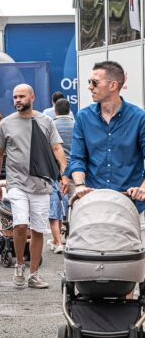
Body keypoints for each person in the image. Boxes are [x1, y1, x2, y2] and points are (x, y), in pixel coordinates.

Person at [0, 84, 69, 290]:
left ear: (32, 97)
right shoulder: (6, 124)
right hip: (16, 183)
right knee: (20, 224)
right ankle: (19, 264)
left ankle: (34, 273)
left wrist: (63, 172)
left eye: (21, 96)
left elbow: (57, 148)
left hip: (41, 183)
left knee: (38, 229)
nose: (17, 100)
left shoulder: (45, 121)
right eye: (15, 96)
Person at [70, 61, 145, 236]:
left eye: (94, 82)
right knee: (94, 258)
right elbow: (77, 158)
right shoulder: (83, 117)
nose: (89, 87)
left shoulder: (139, 118)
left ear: (113, 85)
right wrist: (80, 185)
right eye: (89, 82)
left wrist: (143, 187)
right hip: (95, 203)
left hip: (132, 203)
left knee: (137, 259)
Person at [48, 98, 73, 254]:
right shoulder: (76, 125)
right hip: (75, 171)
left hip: (55, 171)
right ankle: (73, 240)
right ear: (69, 110)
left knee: (54, 207)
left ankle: (58, 242)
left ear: (55, 110)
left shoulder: (51, 126)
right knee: (74, 206)